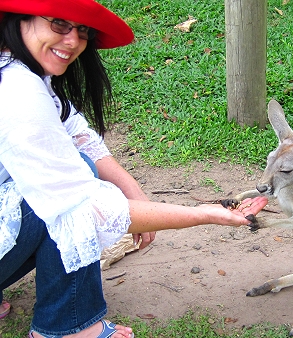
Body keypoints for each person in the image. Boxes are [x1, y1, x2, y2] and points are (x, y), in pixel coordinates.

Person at [0, 0, 268, 337]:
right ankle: (65, 328)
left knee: (79, 168)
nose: (73, 41)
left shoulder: (18, 68)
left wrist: (134, 191)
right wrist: (205, 214)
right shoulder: (18, 92)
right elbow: (82, 208)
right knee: (61, 201)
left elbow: (79, 135)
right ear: (18, 20)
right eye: (59, 24)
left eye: (82, 30)